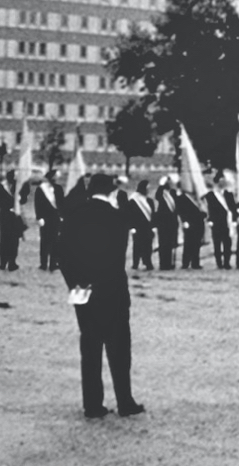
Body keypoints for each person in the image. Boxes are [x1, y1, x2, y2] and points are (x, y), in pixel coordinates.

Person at [59, 173, 145, 420]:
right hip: (112, 288)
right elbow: (120, 247)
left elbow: (62, 255)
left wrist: (75, 284)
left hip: (82, 288)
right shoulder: (117, 217)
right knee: (119, 349)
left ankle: (92, 404)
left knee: (90, 348)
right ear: (110, 191)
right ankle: (125, 401)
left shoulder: (74, 215)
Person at [0, 171, 25, 271]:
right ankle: (3, 262)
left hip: (15, 216)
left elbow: (24, 199)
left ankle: (12, 262)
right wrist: (8, 206)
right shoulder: (1, 186)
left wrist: (20, 198)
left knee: (14, 240)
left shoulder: (18, 187)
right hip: (5, 215)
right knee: (4, 239)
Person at [35, 169, 65, 271]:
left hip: (56, 218)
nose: (57, 178)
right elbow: (38, 204)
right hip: (45, 218)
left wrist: (62, 216)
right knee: (44, 241)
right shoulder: (41, 189)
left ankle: (53, 264)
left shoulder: (59, 188)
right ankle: (43, 264)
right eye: (55, 176)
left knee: (55, 241)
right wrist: (39, 217)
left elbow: (61, 203)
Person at [206, 174, 236, 270]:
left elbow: (233, 208)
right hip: (216, 222)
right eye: (221, 181)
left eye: (224, 181)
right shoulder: (210, 195)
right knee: (217, 244)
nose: (222, 183)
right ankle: (219, 263)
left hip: (227, 222)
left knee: (227, 243)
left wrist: (234, 220)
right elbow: (209, 209)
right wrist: (210, 220)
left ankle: (227, 262)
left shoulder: (229, 194)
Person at [175, 182, 206, 270]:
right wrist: (184, 221)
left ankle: (195, 263)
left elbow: (202, 209)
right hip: (189, 223)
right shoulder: (181, 198)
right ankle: (185, 262)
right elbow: (180, 210)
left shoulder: (197, 198)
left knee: (197, 243)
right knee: (188, 243)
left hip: (198, 222)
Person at [127, 180, 156, 271]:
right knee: (137, 245)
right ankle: (135, 263)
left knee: (148, 246)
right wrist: (131, 227)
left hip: (148, 227)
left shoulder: (150, 201)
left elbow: (153, 215)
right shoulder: (133, 200)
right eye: (147, 188)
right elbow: (129, 215)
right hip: (137, 227)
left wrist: (154, 226)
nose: (148, 190)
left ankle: (148, 263)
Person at [154, 177, 180, 271]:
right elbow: (157, 196)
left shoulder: (173, 193)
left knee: (171, 244)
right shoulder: (161, 193)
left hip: (172, 222)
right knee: (163, 243)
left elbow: (176, 205)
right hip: (163, 222)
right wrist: (161, 185)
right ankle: (163, 264)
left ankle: (170, 263)